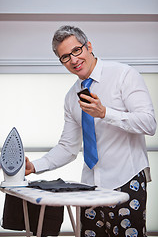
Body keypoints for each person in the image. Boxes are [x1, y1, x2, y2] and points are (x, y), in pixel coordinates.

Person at [25, 25, 157, 237]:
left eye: (76, 51)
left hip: (126, 181)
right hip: (89, 188)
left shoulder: (124, 75)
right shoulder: (71, 97)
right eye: (65, 57)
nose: (73, 60)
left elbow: (149, 124)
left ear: (88, 46)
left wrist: (105, 113)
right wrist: (34, 166)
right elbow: (68, 147)